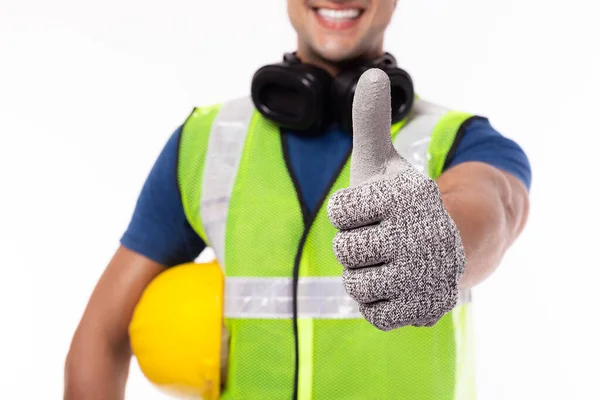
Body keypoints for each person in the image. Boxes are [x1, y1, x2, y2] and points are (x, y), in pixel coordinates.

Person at [64, 0, 531, 399]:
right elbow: (100, 339)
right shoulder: (205, 142)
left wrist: (436, 241)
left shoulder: (460, 140)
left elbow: (497, 206)